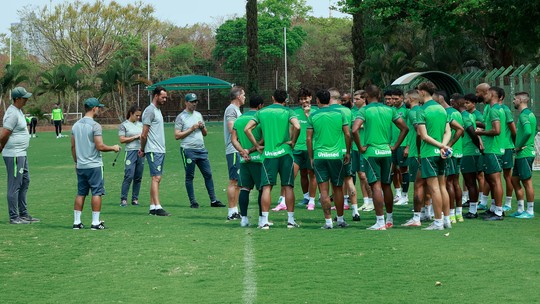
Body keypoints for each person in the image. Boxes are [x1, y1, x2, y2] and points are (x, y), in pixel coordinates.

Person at [352, 85, 408, 230]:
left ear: (366, 96)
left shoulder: (364, 110)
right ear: (380, 96)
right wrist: (395, 146)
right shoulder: (390, 110)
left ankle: (380, 222)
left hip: (372, 153)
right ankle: (389, 219)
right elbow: (405, 128)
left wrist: (360, 147)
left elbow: (354, 129)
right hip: (386, 152)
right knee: (386, 185)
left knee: (376, 186)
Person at [245, 89, 300, 229]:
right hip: (285, 154)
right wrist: (293, 141)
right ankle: (290, 220)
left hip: (269, 155)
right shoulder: (288, 111)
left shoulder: (262, 112)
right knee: (288, 186)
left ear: (272, 98)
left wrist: (257, 145)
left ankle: (264, 221)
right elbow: (297, 126)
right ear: (285, 100)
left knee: (267, 187)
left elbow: (247, 129)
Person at [71, 98, 120, 230]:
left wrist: (77, 162)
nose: (99, 109)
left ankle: (77, 222)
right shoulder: (95, 126)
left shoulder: (75, 126)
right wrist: (113, 148)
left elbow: (73, 147)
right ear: (93, 108)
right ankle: (95, 222)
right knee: (96, 193)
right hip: (94, 165)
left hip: (81, 165)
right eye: (98, 107)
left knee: (81, 193)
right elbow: (100, 146)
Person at [307, 89, 351, 229]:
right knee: (338, 188)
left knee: (324, 190)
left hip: (320, 156)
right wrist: (348, 152)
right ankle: (340, 220)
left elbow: (308, 138)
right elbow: (347, 134)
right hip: (336, 156)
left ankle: (328, 222)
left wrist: (311, 157)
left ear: (318, 101)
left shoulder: (313, 115)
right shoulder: (340, 114)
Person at [174, 93, 225, 210]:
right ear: (186, 102)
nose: (194, 104)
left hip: (201, 150)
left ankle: (213, 200)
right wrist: (191, 129)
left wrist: (202, 127)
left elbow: (205, 133)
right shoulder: (181, 117)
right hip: (188, 150)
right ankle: (193, 202)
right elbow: (177, 136)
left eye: (195, 101)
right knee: (190, 176)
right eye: (192, 102)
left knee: (208, 174)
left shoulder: (198, 115)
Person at [416, 81, 452, 230]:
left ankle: (438, 222)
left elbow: (423, 136)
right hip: (441, 153)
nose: (417, 94)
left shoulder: (421, 110)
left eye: (418, 91)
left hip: (429, 153)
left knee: (434, 188)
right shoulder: (442, 109)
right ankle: (447, 220)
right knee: (442, 186)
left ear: (423, 92)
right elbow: (448, 132)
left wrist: (440, 146)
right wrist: (443, 146)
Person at [0, 87, 40, 224]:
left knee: (25, 182)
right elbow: (4, 133)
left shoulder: (18, 111)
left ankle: (23, 213)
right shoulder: (12, 113)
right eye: (24, 98)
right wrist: (1, 147)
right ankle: (14, 216)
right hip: (14, 154)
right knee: (15, 185)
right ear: (17, 99)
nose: (27, 100)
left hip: (21, 153)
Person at [231, 95, 265, 227]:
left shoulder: (239, 120)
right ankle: (263, 218)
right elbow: (264, 139)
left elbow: (233, 139)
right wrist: (250, 150)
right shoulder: (259, 119)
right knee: (263, 189)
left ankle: (244, 218)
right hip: (259, 159)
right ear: (260, 106)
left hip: (244, 160)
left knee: (244, 188)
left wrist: (242, 151)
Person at [139, 86, 171, 216]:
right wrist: (142, 149)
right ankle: (158, 207)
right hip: (153, 149)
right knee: (156, 178)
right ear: (156, 96)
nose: (164, 99)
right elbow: (144, 134)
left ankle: (152, 207)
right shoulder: (150, 111)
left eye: (165, 97)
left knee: (158, 178)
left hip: (160, 149)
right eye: (163, 97)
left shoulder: (157, 111)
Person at [475, 86, 505, 220]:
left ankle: (499, 211)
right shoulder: (495, 109)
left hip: (494, 149)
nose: (484, 95)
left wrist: (480, 132)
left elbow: (496, 130)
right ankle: (494, 208)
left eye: (487, 93)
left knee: (495, 180)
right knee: (490, 180)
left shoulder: (494, 110)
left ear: (492, 95)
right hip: (492, 149)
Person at [329, 88, 359, 219]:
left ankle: (339, 214)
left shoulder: (328, 112)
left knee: (336, 184)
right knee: (349, 180)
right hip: (346, 150)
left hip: (333, 152)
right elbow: (353, 131)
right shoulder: (348, 111)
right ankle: (355, 211)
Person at [509, 92, 536, 219]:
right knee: (514, 179)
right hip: (522, 154)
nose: (513, 101)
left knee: (527, 181)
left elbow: (528, 132)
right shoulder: (529, 114)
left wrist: (519, 146)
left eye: (514, 99)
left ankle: (530, 211)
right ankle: (520, 208)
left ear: (520, 100)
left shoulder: (524, 115)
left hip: (524, 153)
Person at [223, 86, 245, 220]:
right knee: (234, 181)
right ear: (238, 96)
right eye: (243, 95)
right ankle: (231, 212)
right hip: (233, 149)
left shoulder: (236, 110)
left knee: (238, 182)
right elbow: (232, 128)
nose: (244, 97)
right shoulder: (231, 109)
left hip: (238, 149)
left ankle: (235, 210)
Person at [351, 90, 373, 212]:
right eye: (354, 99)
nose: (355, 101)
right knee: (360, 175)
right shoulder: (352, 112)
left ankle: (372, 200)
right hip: (355, 147)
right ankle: (366, 201)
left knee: (365, 176)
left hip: (366, 147)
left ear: (364, 99)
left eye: (357, 99)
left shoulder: (368, 111)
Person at [118, 104, 144, 207]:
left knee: (138, 177)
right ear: (131, 114)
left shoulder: (141, 125)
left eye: (139, 116)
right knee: (129, 175)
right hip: (130, 152)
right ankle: (124, 199)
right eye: (136, 115)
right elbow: (122, 139)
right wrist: (135, 137)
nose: (138, 117)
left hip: (140, 152)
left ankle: (135, 199)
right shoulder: (124, 125)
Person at [390, 89, 410, 206]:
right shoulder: (390, 110)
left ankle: (405, 195)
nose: (393, 101)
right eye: (392, 98)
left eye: (396, 99)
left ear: (402, 98)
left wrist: (408, 146)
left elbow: (409, 129)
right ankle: (397, 193)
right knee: (392, 170)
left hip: (402, 145)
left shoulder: (406, 111)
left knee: (403, 169)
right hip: (392, 145)